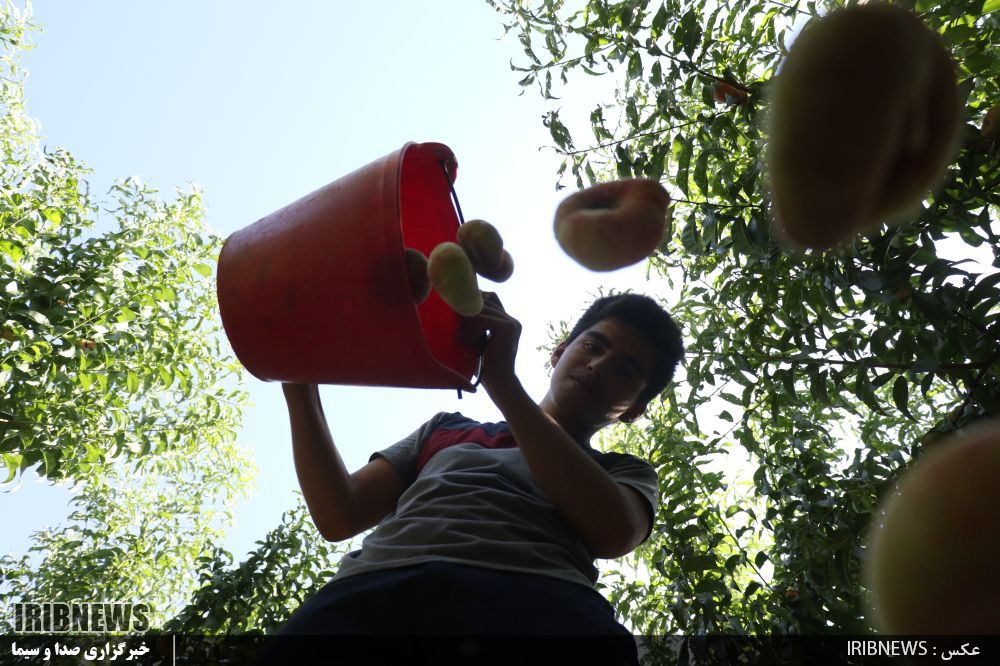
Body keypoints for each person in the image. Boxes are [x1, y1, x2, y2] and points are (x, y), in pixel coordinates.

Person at [256, 291, 684, 664]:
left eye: (626, 371)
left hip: (545, 609)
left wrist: (503, 383)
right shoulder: (445, 428)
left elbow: (615, 530)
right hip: (374, 592)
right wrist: (298, 382)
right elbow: (339, 513)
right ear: (559, 352)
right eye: (593, 345)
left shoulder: (622, 471)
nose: (600, 365)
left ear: (633, 410)